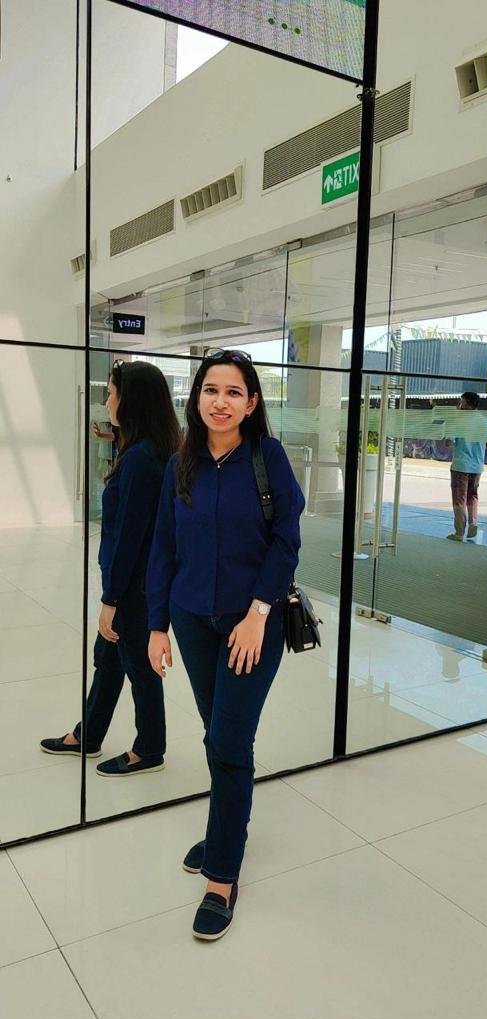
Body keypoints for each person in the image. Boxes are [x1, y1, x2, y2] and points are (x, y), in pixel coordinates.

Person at [147, 348, 304, 941]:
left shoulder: (267, 458)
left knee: (231, 741)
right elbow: (163, 547)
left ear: (252, 402)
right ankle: (225, 828)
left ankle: (221, 875)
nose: (221, 402)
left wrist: (259, 612)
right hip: (192, 619)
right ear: (196, 399)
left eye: (234, 392)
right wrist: (157, 625)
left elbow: (287, 539)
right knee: (217, 732)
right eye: (211, 390)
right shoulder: (180, 463)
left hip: (251, 624)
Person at [41, 360, 181, 776]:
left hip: (132, 587)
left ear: (131, 401)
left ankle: (149, 749)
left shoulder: (140, 459)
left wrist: (111, 598)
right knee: (108, 658)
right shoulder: (149, 450)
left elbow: (130, 538)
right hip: (135, 582)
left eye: (112, 393)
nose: (107, 401)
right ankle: (89, 734)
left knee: (138, 666)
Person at [446, 391, 487, 541]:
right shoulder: (484, 421)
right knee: (472, 496)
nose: (458, 405)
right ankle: (473, 523)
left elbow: (449, 442)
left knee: (459, 499)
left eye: (461, 402)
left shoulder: (459, 421)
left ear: (467, 404)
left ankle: (459, 532)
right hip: (477, 466)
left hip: (461, 466)